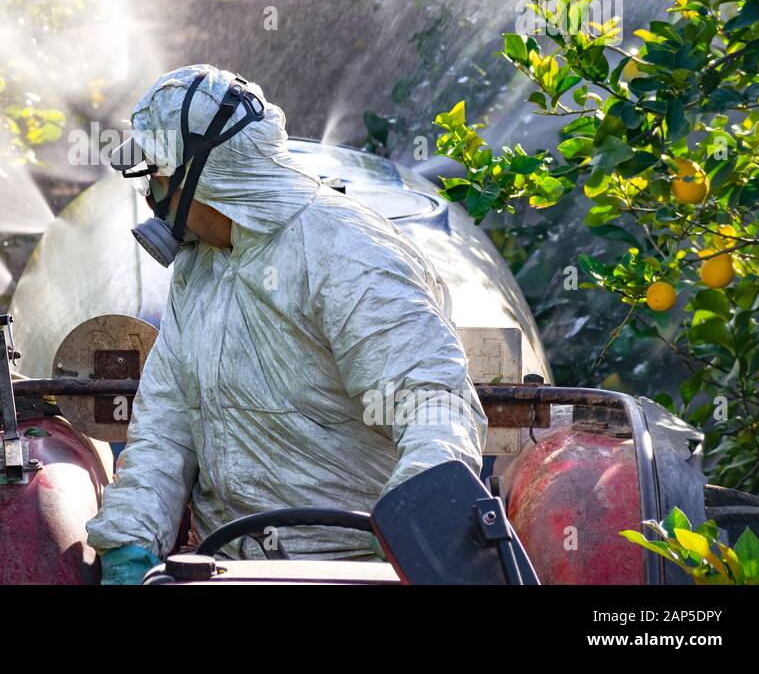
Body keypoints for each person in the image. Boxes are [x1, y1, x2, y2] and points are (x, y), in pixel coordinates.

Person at [86, 65, 488, 584]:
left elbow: (434, 406)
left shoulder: (346, 250)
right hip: (223, 569)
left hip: (359, 571)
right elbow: (166, 429)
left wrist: (412, 535)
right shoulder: (199, 268)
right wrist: (130, 542)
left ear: (202, 175)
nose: (150, 193)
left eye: (157, 174)